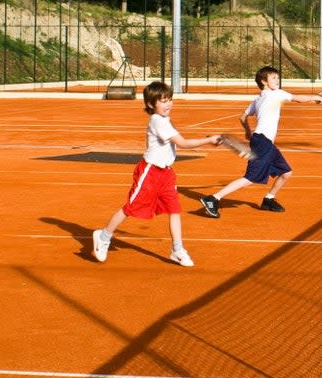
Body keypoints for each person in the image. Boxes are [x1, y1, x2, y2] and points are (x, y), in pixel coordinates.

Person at [92, 80, 223, 267]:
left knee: (174, 209)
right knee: (131, 207)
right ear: (151, 104)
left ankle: (177, 250)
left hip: (166, 173)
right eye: (162, 101)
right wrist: (209, 139)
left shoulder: (165, 120)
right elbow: (183, 143)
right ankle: (103, 236)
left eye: (169, 99)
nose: (168, 103)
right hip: (150, 172)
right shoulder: (156, 121)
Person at [200, 66, 322, 218]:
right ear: (264, 81)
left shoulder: (258, 99)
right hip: (263, 142)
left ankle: (268, 199)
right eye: (273, 78)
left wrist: (247, 132)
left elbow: (242, 117)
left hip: (263, 141)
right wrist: (316, 97)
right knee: (250, 178)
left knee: (286, 172)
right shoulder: (276, 94)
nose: (277, 80)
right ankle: (213, 199)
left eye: (278, 78)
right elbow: (299, 98)